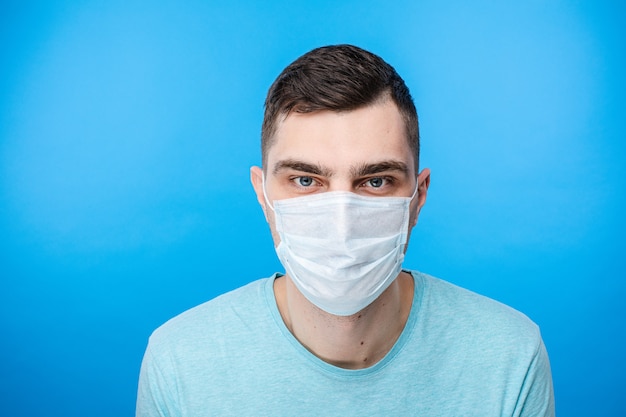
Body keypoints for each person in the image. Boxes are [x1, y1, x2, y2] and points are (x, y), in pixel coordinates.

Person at [136, 44, 555, 416]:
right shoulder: (181, 360)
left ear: (418, 197)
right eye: (305, 180)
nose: (342, 222)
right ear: (263, 196)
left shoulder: (509, 355)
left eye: (375, 181)